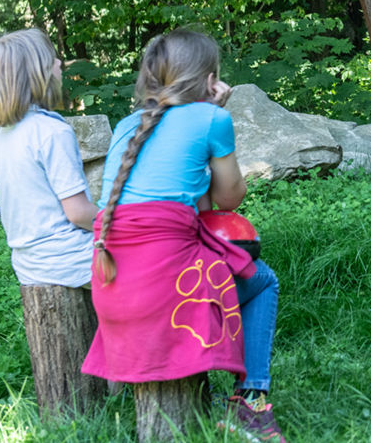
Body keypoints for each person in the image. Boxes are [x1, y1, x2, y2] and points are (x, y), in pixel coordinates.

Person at [81, 29, 286, 443]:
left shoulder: (127, 126)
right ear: (210, 80)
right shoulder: (212, 119)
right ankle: (249, 404)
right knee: (263, 280)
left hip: (114, 290)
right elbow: (229, 199)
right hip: (167, 296)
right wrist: (214, 114)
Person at [0, 29, 96, 291]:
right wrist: (117, 223)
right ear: (37, 74)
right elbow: (78, 213)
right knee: (157, 255)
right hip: (73, 262)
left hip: (29, 265)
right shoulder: (52, 131)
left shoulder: (4, 137)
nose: (59, 63)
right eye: (51, 59)